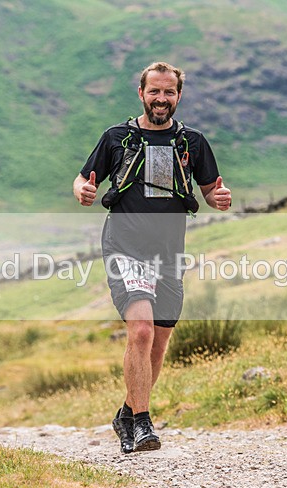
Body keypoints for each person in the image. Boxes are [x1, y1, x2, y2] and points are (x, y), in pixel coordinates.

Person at [73, 61, 231, 453]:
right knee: (141, 330)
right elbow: (82, 178)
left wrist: (219, 199)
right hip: (125, 247)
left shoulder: (191, 143)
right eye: (155, 91)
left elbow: (210, 189)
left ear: (179, 96)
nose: (162, 99)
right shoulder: (117, 138)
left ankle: (127, 413)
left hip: (169, 253)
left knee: (157, 345)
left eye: (169, 92)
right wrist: (83, 191)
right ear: (141, 94)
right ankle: (143, 424)